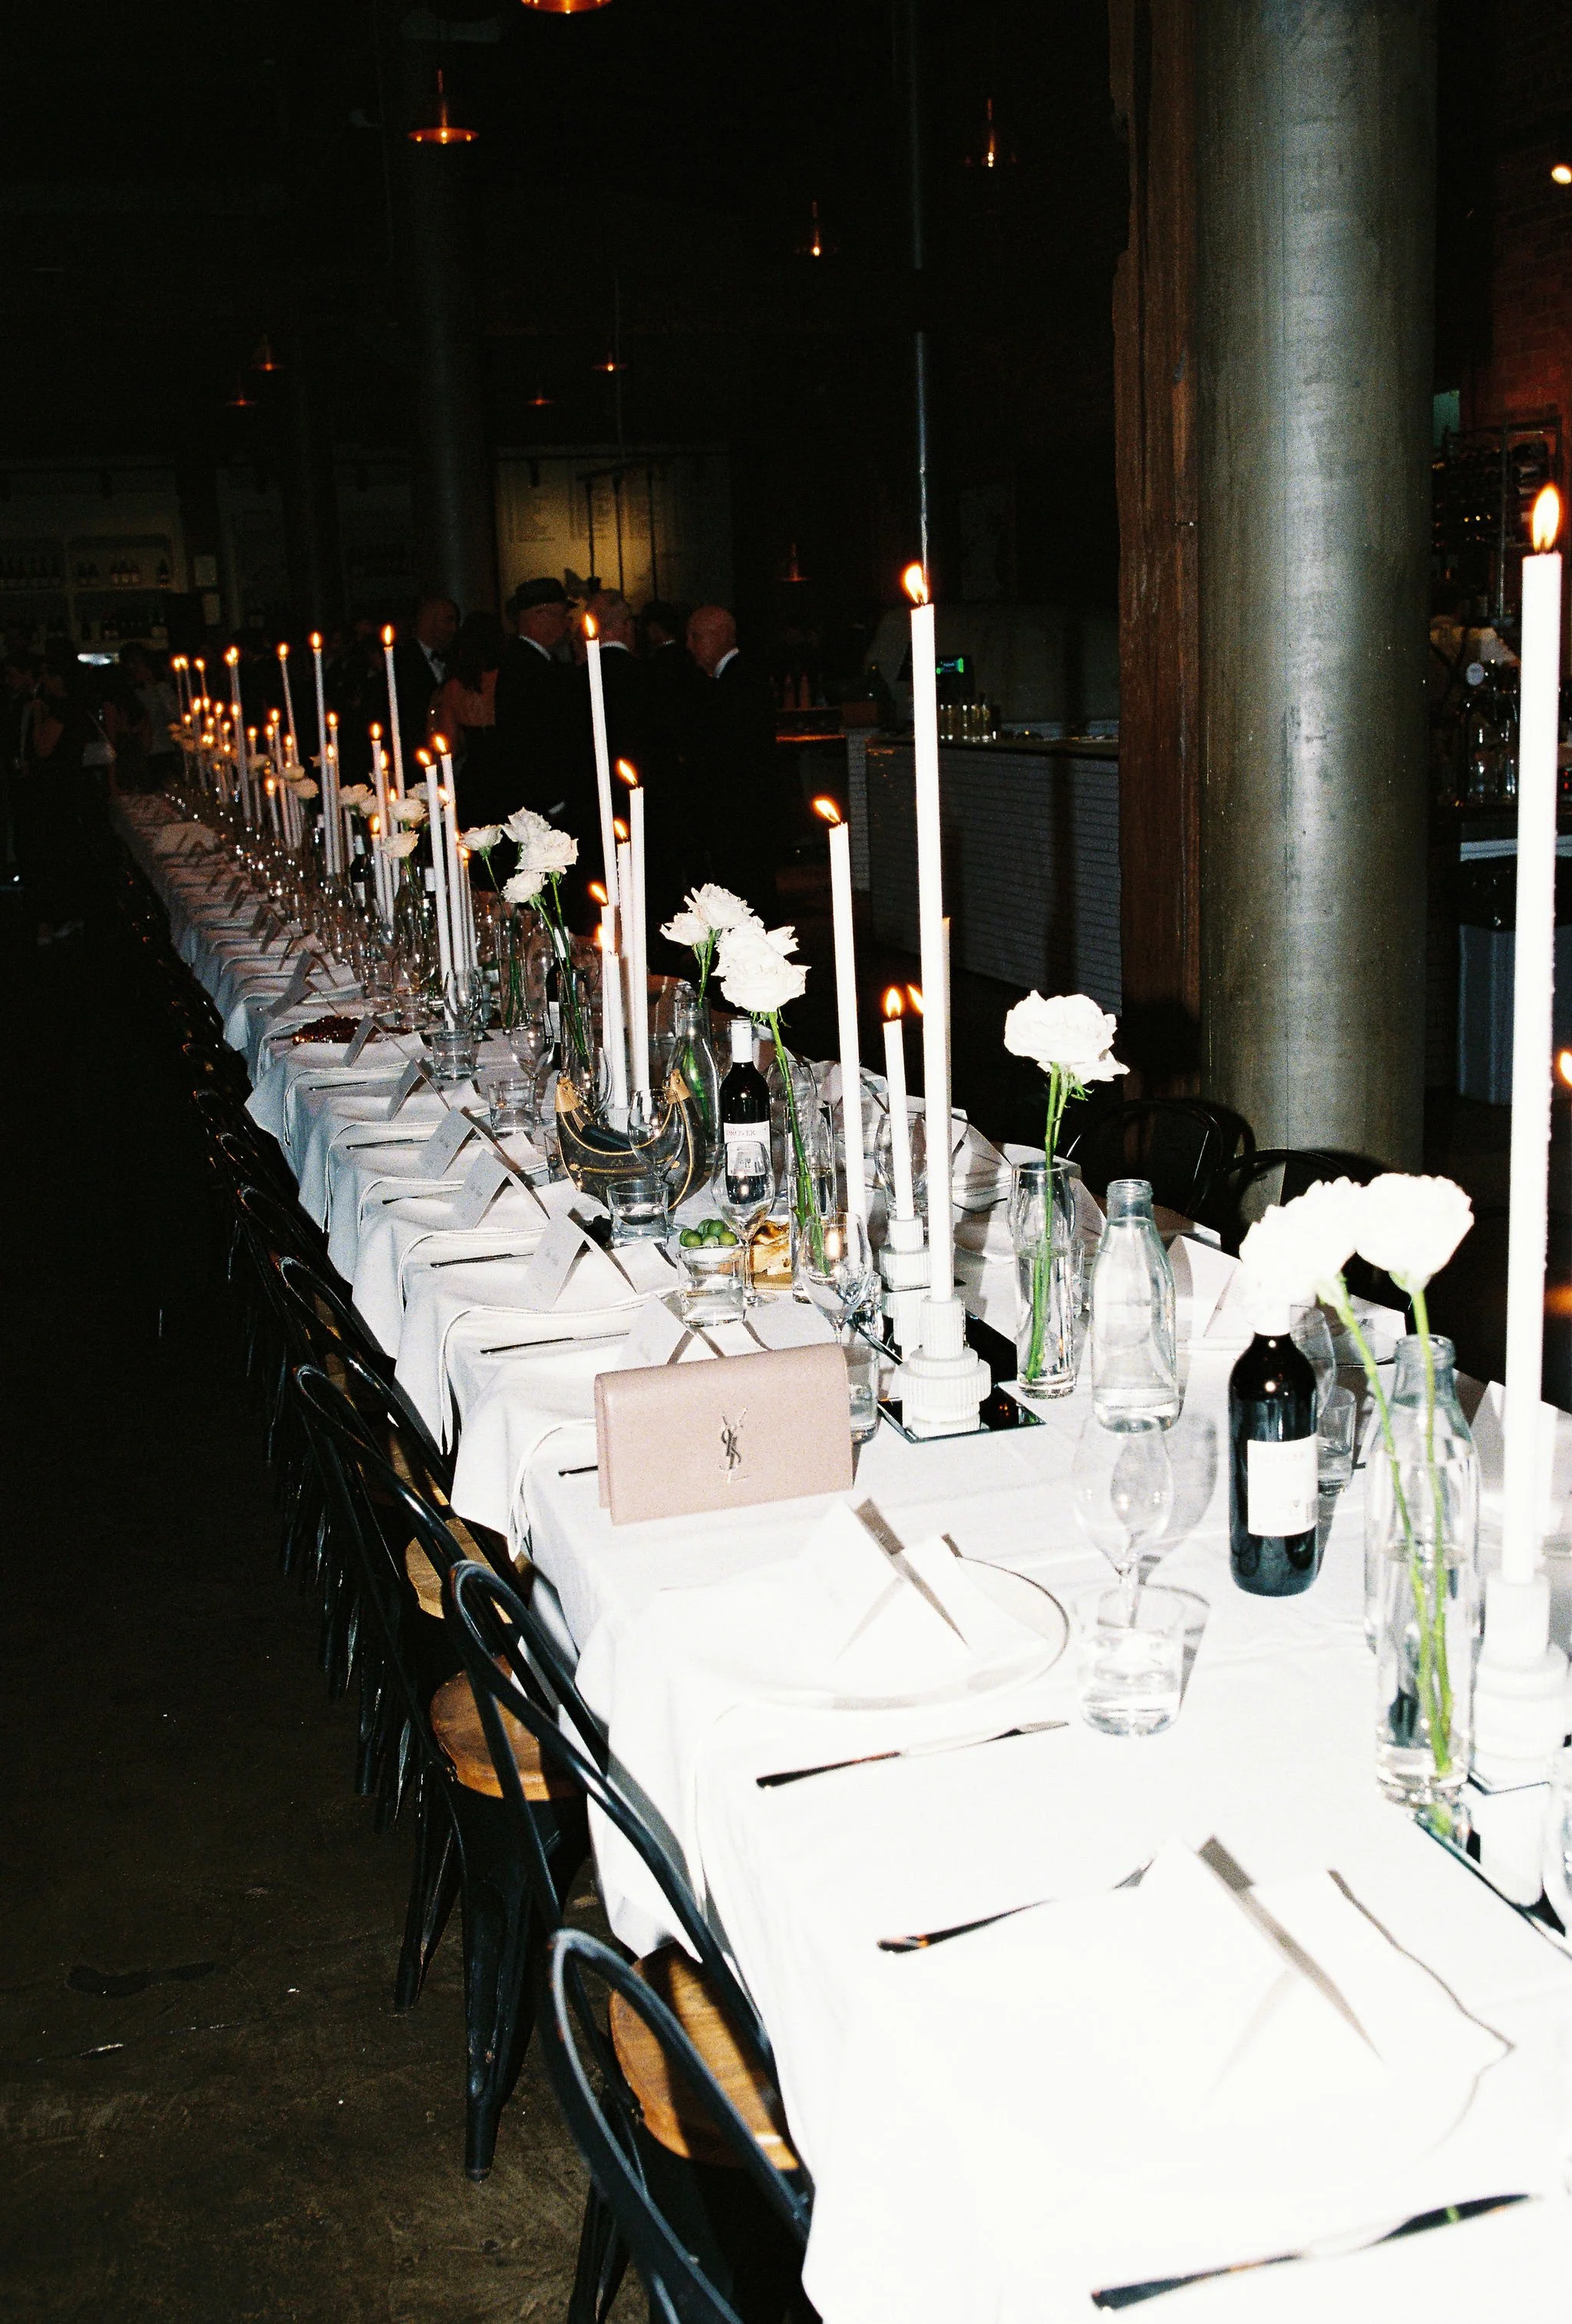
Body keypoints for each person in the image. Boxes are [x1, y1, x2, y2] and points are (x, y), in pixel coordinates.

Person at [682, 604, 782, 917]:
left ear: (719, 636)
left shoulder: (737, 681)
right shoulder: (734, 678)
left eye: (696, 637)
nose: (690, 646)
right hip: (739, 807)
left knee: (747, 888)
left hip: (738, 808)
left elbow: (727, 749)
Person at [14, 651, 108, 944]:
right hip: (65, 789)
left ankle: (59, 917)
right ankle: (67, 915)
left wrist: (39, 715)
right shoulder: (75, 707)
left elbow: (44, 748)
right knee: (62, 851)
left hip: (56, 792)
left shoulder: (63, 710)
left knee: (53, 853)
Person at [494, 577, 571, 819]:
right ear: (540, 615)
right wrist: (553, 800)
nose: (566, 624)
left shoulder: (537, 660)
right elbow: (532, 738)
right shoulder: (525, 665)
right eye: (561, 616)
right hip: (541, 800)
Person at [434, 610, 509, 825]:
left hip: (475, 774)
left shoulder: (454, 687)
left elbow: (449, 745)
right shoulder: (506, 677)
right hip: (506, 770)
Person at [390, 594, 457, 763]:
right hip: (416, 759)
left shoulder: (456, 659)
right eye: (448, 621)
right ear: (429, 622)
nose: (454, 628)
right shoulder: (401, 662)